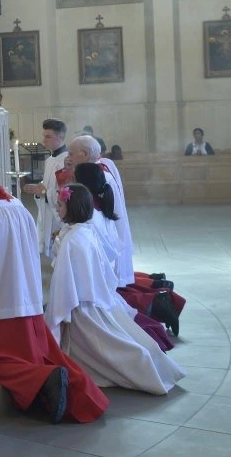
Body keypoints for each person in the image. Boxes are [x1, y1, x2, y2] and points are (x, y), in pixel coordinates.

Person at [0, 154, 108, 424]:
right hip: (26, 306)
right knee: (36, 356)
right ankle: (58, 378)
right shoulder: (18, 206)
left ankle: (44, 378)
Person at [45, 183, 185, 395]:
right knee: (121, 340)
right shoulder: (85, 231)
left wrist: (56, 315)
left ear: (72, 207)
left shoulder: (73, 240)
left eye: (60, 205)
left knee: (112, 350)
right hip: (97, 299)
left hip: (81, 308)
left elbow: (63, 283)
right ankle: (151, 364)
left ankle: (145, 369)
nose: (57, 209)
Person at [66, 135, 185, 336]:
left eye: (71, 153)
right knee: (115, 290)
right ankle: (155, 285)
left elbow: (90, 214)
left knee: (112, 296)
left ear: (84, 155)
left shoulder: (97, 177)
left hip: (104, 239)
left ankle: (156, 301)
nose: (67, 157)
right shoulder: (104, 166)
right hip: (110, 236)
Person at [74, 162, 175, 352]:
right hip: (103, 278)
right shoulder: (100, 208)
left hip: (95, 286)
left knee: (117, 319)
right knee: (121, 309)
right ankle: (156, 292)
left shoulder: (88, 220)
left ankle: (156, 301)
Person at [22, 118, 68, 257]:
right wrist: (39, 188)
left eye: (48, 137)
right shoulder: (50, 160)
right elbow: (48, 186)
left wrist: (43, 191)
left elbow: (66, 193)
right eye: (44, 136)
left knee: (59, 254)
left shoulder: (66, 161)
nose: (44, 140)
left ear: (60, 137)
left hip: (58, 216)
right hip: (46, 211)